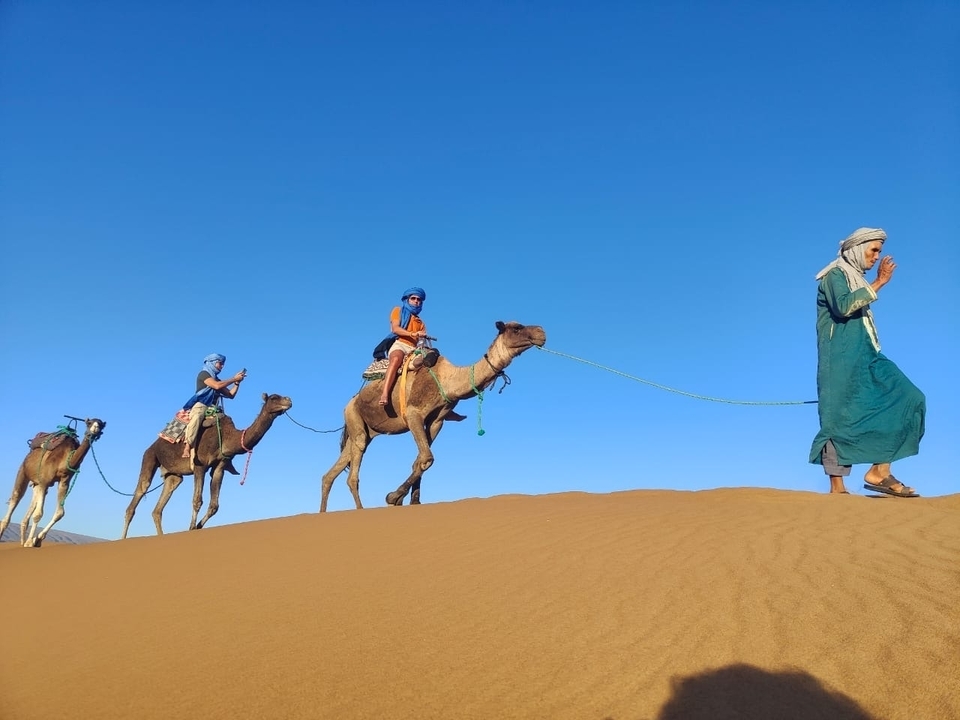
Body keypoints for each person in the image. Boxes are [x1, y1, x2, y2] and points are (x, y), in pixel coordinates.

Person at [809, 227, 925, 497]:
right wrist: (880, 282)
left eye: (879, 252)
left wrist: (873, 283)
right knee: (838, 417)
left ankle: (880, 471)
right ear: (857, 249)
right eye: (873, 250)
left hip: (868, 355)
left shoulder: (856, 279)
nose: (876, 256)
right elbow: (844, 306)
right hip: (839, 361)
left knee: (909, 397)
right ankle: (837, 488)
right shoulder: (834, 276)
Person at [182, 353, 246, 464]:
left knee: (227, 424)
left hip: (214, 408)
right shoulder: (204, 374)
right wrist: (233, 378)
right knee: (196, 417)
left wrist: (237, 383)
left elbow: (231, 395)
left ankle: (226, 460)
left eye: (223, 364)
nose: (222, 366)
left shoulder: (217, 379)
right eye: (220, 363)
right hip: (202, 405)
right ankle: (188, 445)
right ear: (212, 362)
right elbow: (216, 386)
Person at [378, 287, 427, 407]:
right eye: (413, 298)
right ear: (407, 299)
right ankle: (385, 393)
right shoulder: (398, 310)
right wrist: (413, 334)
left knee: (431, 366)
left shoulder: (421, 323)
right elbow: (396, 329)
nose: (416, 301)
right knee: (396, 359)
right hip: (400, 344)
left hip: (414, 349)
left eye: (419, 300)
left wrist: (422, 340)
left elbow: (421, 341)